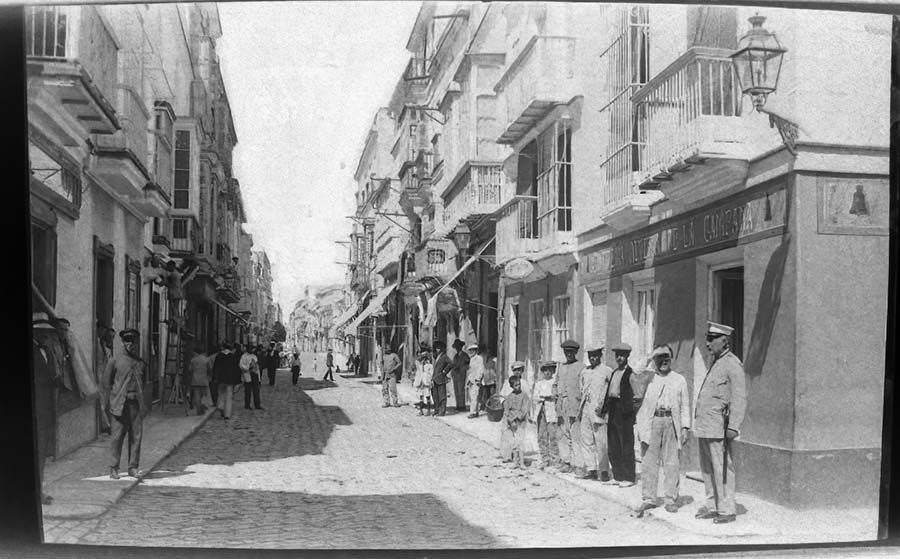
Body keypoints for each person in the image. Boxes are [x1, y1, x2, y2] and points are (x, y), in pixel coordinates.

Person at [694, 322, 747, 524]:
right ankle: (712, 505)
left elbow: (739, 397)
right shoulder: (715, 363)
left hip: (720, 427)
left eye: (711, 339)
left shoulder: (732, 364)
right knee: (707, 469)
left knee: (722, 468)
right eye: (707, 338)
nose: (707, 343)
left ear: (724, 341)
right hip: (706, 425)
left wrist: (734, 426)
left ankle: (726, 510)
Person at [636, 344, 692, 515]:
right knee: (649, 462)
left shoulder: (679, 379)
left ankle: (671, 498)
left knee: (672, 462)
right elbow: (636, 371)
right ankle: (649, 498)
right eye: (660, 358)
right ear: (655, 360)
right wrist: (652, 354)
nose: (664, 362)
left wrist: (685, 427)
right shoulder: (648, 377)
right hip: (652, 422)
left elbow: (685, 405)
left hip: (671, 422)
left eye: (667, 358)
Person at [103, 329, 146, 479]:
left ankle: (133, 467)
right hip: (119, 404)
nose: (130, 343)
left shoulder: (140, 363)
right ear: (122, 342)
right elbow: (106, 384)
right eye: (127, 340)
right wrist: (108, 405)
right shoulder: (114, 360)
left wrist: (143, 405)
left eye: (133, 340)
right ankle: (114, 468)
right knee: (117, 437)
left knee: (136, 437)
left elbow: (143, 384)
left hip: (135, 405)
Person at [33, 314, 61, 503]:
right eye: (43, 332)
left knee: (41, 454)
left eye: (47, 332)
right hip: (35, 411)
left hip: (45, 412)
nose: (47, 335)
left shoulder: (47, 351)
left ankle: (38, 492)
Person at [579, 345, 613, 482]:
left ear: (600, 355)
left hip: (600, 409)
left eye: (595, 355)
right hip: (586, 407)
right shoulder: (585, 372)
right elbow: (582, 388)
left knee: (601, 441)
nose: (592, 358)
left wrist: (605, 406)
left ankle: (604, 470)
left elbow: (611, 390)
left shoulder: (607, 371)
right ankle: (591, 469)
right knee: (586, 439)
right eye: (590, 355)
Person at [553, 339, 584, 476]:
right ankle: (566, 461)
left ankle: (579, 465)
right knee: (562, 434)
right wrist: (554, 393)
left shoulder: (581, 367)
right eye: (566, 352)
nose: (568, 354)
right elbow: (555, 383)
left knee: (576, 436)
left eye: (571, 352)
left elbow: (584, 387)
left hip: (575, 405)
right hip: (561, 404)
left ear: (576, 352)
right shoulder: (561, 367)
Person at [531, 361, 560, 470]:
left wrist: (547, 397)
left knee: (552, 435)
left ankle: (555, 459)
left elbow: (555, 396)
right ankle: (545, 458)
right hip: (540, 411)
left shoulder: (555, 383)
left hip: (551, 412)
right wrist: (544, 397)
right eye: (545, 370)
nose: (548, 373)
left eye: (550, 370)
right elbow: (535, 397)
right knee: (541, 435)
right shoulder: (539, 384)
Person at [500, 360, 527, 461]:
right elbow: (502, 396)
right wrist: (504, 404)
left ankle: (518, 457)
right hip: (508, 412)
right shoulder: (508, 382)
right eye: (515, 370)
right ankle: (507, 455)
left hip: (519, 413)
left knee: (518, 434)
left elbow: (527, 399)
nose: (517, 372)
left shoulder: (524, 383)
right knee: (507, 432)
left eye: (519, 370)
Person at [502, 374, 531, 469]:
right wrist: (510, 420)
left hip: (520, 422)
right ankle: (515, 462)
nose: (518, 387)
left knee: (520, 442)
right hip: (512, 424)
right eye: (516, 385)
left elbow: (525, 409)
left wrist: (517, 418)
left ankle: (522, 463)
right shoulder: (509, 397)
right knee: (513, 442)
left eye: (519, 384)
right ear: (511, 386)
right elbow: (507, 410)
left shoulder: (524, 396)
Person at [212, 342, 241, 420]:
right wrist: (238, 381)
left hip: (220, 379)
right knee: (229, 396)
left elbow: (215, 368)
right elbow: (236, 369)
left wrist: (214, 378)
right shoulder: (233, 357)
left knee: (221, 394)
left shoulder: (219, 356)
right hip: (230, 379)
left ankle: (220, 406)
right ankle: (227, 414)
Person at [188, 342, 213, 416]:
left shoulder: (193, 360)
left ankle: (199, 411)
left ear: (196, 352)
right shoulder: (206, 359)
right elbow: (210, 369)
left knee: (197, 396)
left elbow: (190, 370)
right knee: (204, 395)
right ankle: (203, 406)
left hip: (195, 380)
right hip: (204, 379)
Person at [430, 341, 452, 416]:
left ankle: (442, 411)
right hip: (435, 378)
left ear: (442, 349)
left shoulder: (444, 356)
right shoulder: (437, 357)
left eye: (439, 348)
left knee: (442, 396)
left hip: (441, 379)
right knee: (435, 395)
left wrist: (444, 371)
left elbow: (451, 364)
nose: (437, 350)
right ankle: (437, 409)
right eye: (437, 348)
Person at [241, 344, 263, 410]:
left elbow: (257, 367)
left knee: (256, 391)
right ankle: (247, 405)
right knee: (248, 391)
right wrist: (248, 367)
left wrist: (259, 378)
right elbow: (241, 365)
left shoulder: (254, 356)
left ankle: (257, 404)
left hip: (255, 374)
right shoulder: (244, 356)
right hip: (247, 374)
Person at [449, 339, 469, 412]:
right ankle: (458, 405)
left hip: (461, 375)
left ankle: (462, 406)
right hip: (455, 375)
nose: (457, 348)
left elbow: (467, 365)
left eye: (458, 347)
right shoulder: (455, 356)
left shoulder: (465, 355)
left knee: (461, 390)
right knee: (456, 391)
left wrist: (461, 368)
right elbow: (454, 364)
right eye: (456, 347)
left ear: (461, 347)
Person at [465, 344, 485, 418]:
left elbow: (481, 369)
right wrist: (468, 380)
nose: (471, 352)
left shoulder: (479, 358)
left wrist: (478, 378)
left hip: (476, 380)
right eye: (470, 350)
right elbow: (470, 371)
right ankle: (475, 411)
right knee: (472, 396)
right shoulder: (472, 359)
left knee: (474, 396)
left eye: (472, 350)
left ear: (476, 350)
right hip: (471, 380)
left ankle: (473, 412)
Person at [412, 350, 434, 415]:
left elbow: (431, 374)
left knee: (427, 396)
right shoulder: (419, 364)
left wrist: (429, 380)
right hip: (420, 382)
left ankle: (428, 410)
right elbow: (416, 369)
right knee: (420, 397)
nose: (423, 359)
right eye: (422, 357)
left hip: (426, 382)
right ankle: (421, 410)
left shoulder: (429, 365)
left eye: (424, 357)